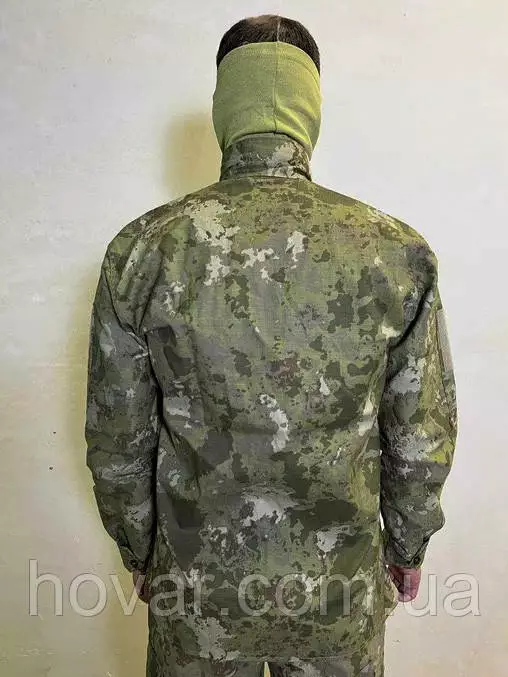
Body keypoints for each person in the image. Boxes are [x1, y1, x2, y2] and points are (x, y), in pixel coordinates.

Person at [85, 14, 458, 677]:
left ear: (224, 109)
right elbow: (419, 436)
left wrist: (140, 551)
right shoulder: (397, 254)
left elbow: (118, 440)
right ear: (310, 111)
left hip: (196, 593)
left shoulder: (143, 251)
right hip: (336, 596)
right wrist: (407, 547)